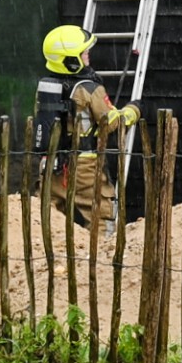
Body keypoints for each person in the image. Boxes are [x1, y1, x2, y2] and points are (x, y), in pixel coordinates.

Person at [32, 24, 142, 228]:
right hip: (83, 168)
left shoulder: (45, 87)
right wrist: (131, 111)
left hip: (51, 165)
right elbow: (109, 122)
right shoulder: (89, 88)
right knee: (100, 215)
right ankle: (101, 256)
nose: (87, 55)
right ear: (71, 61)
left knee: (48, 221)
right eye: (83, 53)